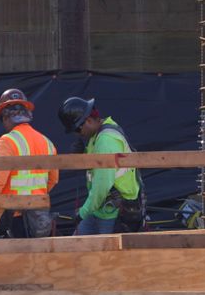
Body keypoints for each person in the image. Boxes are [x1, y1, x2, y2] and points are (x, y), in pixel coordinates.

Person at [0, 88, 59, 239]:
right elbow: (53, 180)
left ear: (5, 118)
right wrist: (35, 195)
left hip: (15, 216)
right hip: (39, 216)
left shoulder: (7, 142)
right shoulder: (47, 142)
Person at [57, 97, 145, 235]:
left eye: (77, 130)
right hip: (99, 208)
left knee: (106, 255)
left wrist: (82, 213)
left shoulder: (106, 140)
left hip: (112, 212)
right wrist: (82, 155)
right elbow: (97, 168)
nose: (77, 134)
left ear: (88, 121)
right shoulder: (98, 134)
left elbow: (102, 185)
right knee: (75, 246)